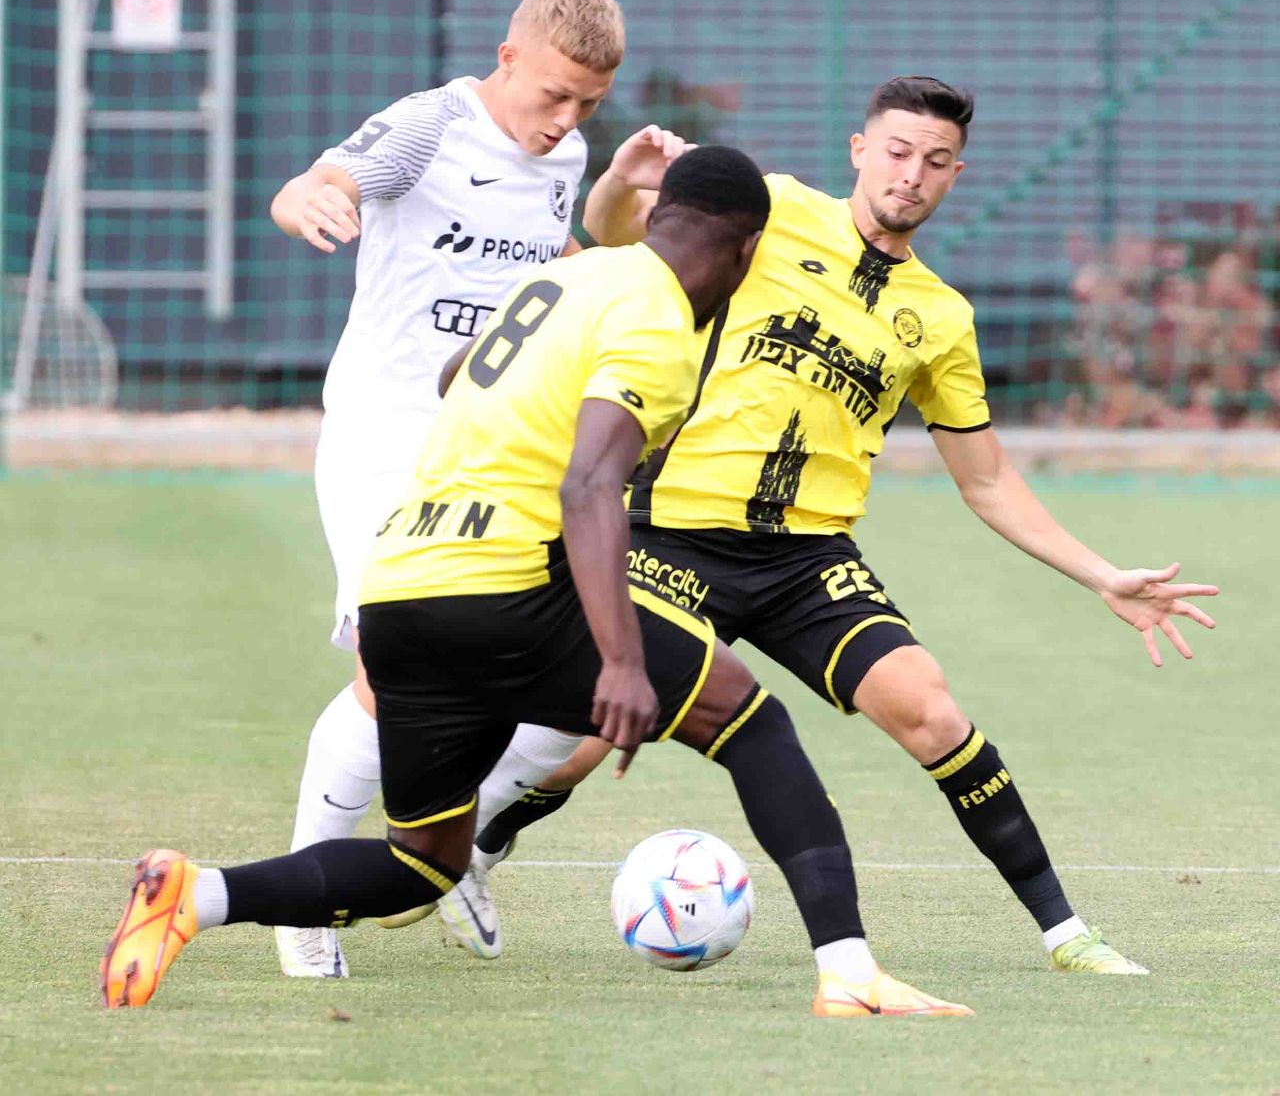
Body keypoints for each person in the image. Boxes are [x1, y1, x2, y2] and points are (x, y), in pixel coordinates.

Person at [100, 146, 972, 1019]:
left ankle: (195, 894)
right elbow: (591, 485)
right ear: (745, 253)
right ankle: (849, 972)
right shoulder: (661, 321)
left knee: (421, 861)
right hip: (508, 585)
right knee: (750, 721)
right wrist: (620, 662)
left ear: (661, 215)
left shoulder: (566, 278)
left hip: (401, 585)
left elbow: (454, 377)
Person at [467, 76, 1220, 976]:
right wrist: (620, 183)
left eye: (935, 161)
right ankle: (476, 847)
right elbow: (619, 239)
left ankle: (1067, 934)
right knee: (583, 738)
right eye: (897, 152)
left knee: (932, 712)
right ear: (861, 150)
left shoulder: (941, 316)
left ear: (955, 175)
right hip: (671, 530)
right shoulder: (773, 208)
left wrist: (1101, 574)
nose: (912, 175)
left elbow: (987, 479)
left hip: (807, 560)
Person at [265, 0, 651, 976]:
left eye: (587, 104)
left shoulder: (565, 152)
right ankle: (303, 899)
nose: (563, 120)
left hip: (499, 447)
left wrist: (617, 201)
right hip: (387, 439)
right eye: (553, 94)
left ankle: (456, 846)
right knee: (393, 671)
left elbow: (560, 256)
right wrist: (312, 198)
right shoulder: (428, 125)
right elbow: (317, 183)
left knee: (569, 689)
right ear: (507, 56)